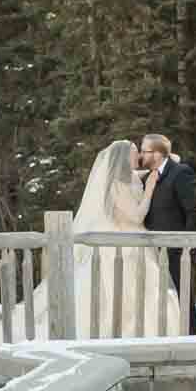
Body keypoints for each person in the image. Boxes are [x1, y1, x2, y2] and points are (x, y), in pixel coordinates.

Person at [31, 139, 160, 337]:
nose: (139, 157)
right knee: (119, 292)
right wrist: (150, 189)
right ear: (124, 158)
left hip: (134, 242)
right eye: (134, 153)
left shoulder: (130, 178)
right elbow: (136, 216)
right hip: (120, 245)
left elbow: (156, 166)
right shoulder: (115, 185)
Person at [139, 133, 196, 331]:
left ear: (158, 154)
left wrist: (186, 244)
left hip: (176, 250)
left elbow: (194, 211)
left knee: (183, 294)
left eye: (145, 151)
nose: (142, 155)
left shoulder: (180, 173)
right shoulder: (149, 176)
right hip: (154, 250)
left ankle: (191, 337)